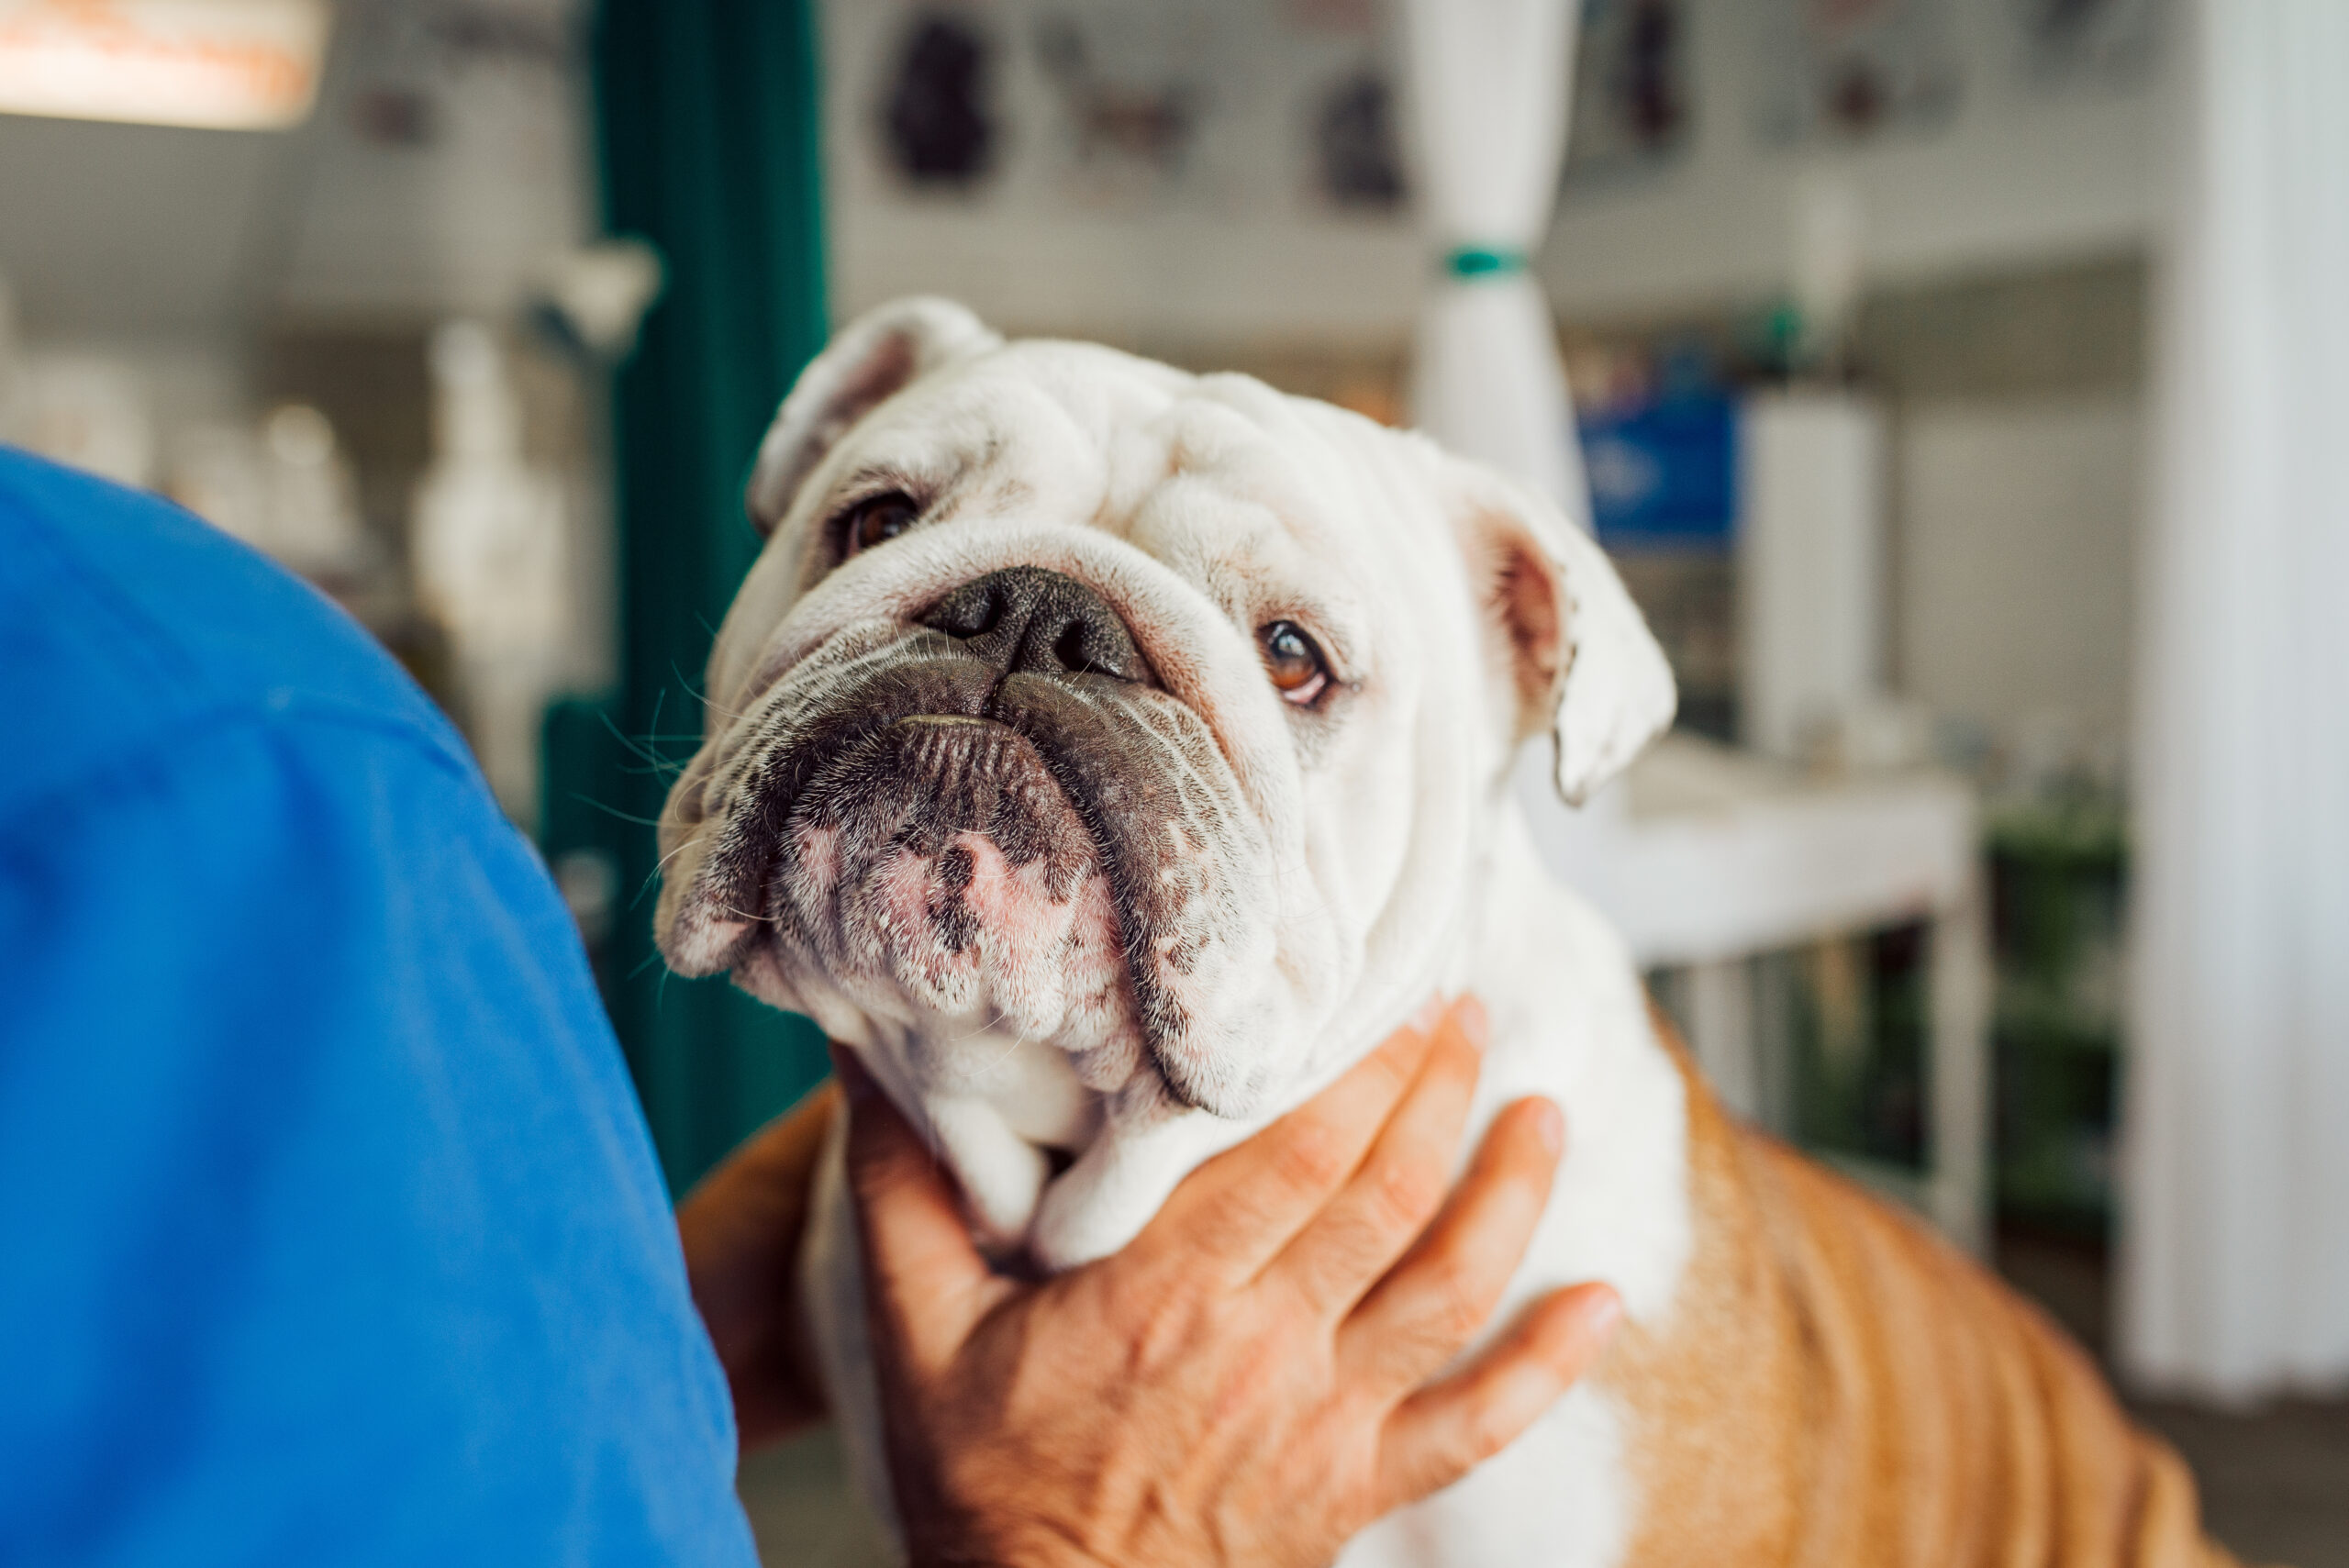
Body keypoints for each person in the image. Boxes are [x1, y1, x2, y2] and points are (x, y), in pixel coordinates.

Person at [0, 446, 1620, 1566]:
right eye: (882, 522)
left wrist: (615, 1325)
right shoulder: (244, 750)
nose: (1019, 652)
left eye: (1287, 650)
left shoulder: (206, 726)